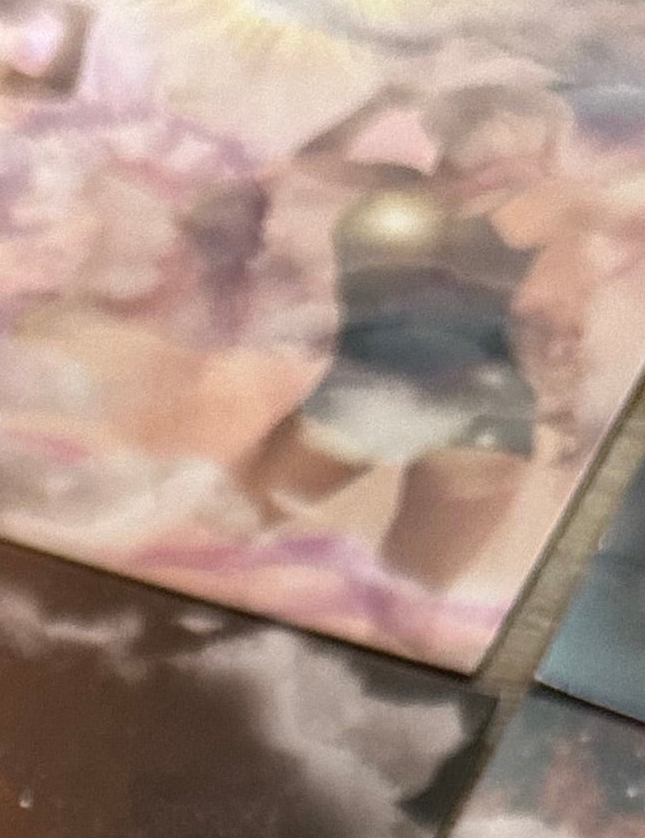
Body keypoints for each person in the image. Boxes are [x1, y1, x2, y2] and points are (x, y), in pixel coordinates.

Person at [239, 85, 578, 601]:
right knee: (404, 596)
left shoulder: (410, 188)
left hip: (407, 400)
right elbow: (306, 163)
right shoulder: (411, 186)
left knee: (402, 594)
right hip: (436, 405)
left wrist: (375, 103)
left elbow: (557, 320)